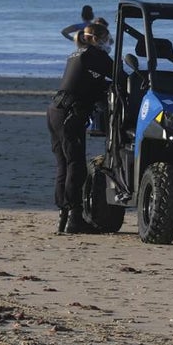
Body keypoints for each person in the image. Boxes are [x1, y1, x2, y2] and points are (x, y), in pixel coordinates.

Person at [47, 23, 113, 234]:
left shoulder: (77, 54)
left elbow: (85, 81)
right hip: (70, 115)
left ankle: (64, 215)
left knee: (63, 165)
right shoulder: (97, 56)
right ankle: (74, 218)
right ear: (97, 38)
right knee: (76, 166)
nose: (108, 43)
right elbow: (120, 76)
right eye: (106, 38)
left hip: (55, 110)